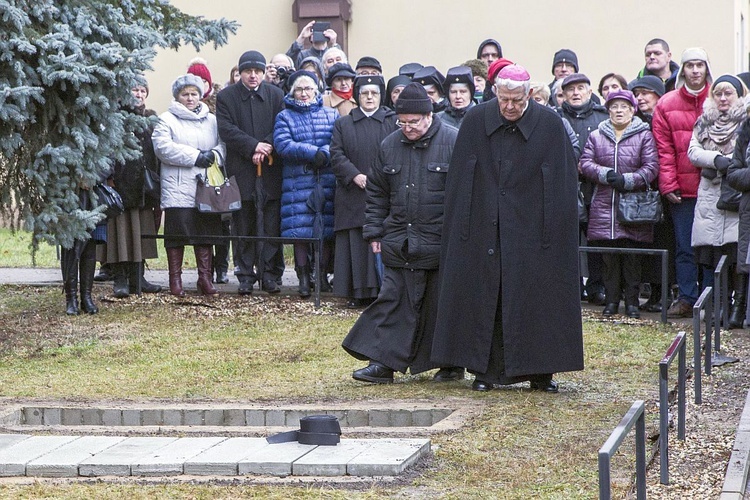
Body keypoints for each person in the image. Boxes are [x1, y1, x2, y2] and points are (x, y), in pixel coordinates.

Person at [431, 64, 584, 393]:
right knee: (488, 295)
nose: (510, 107)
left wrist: (554, 229)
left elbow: (562, 184)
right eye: (504, 100)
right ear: (494, 94)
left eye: (517, 100)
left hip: (534, 231)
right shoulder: (475, 121)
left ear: (530, 94)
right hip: (485, 227)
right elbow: (461, 182)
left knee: (538, 297)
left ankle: (542, 372)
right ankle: (485, 370)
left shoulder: (550, 125)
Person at [341, 82, 460, 383]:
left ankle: (451, 364)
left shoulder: (453, 141)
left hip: (440, 241)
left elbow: (463, 195)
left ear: (429, 115)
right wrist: (374, 232)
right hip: (399, 239)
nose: (407, 128)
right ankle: (382, 363)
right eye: (402, 122)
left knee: (441, 305)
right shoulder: (389, 145)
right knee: (393, 301)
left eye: (413, 122)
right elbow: (377, 193)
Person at [579, 89, 659, 318]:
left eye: (624, 106)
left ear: (633, 110)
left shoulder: (644, 135)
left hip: (633, 205)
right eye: (614, 106)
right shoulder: (597, 135)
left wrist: (628, 180)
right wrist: (605, 174)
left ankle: (632, 303)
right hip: (604, 203)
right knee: (609, 258)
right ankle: (612, 301)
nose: (619, 111)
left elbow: (651, 167)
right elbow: (585, 162)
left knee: (633, 257)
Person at [216, 50, 286, 295]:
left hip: (270, 168)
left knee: (269, 223)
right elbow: (226, 129)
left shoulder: (276, 95)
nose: (253, 76)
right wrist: (252, 146)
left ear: (265, 72)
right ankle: (245, 274)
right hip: (242, 168)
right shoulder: (226, 97)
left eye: (258, 71)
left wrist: (266, 145)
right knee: (243, 223)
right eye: (248, 71)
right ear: (240, 73)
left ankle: (269, 274)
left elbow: (282, 124)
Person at [152, 74, 226, 297]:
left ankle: (204, 278)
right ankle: (175, 279)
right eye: (185, 94)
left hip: (206, 186)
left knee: (206, 232)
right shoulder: (166, 119)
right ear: (178, 96)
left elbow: (223, 144)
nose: (190, 98)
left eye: (194, 94)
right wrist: (194, 156)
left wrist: (213, 155)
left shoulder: (211, 119)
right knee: (177, 234)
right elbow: (163, 147)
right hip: (178, 186)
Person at [653, 48, 713, 318]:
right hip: (683, 189)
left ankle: (712, 299)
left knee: (712, 247)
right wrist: (668, 184)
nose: (696, 70)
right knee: (685, 247)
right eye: (690, 65)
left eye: (700, 65)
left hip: (715, 187)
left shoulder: (720, 97)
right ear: (683, 69)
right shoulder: (666, 104)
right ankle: (688, 297)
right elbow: (663, 149)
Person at [331, 75, 398, 308]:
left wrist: (379, 179)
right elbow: (336, 154)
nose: (370, 97)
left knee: (379, 239)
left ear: (381, 95)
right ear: (357, 96)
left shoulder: (392, 122)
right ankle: (356, 293)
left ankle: (382, 292)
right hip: (352, 194)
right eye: (365, 93)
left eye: (375, 93)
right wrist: (355, 175)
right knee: (355, 243)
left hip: (383, 193)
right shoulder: (343, 124)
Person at [688, 75, 748, 327]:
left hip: (737, 193)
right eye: (718, 94)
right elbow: (693, 151)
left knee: (736, 255)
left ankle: (737, 307)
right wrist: (715, 159)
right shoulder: (703, 122)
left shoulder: (746, 120)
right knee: (713, 254)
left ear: (739, 95)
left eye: (728, 94)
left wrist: (732, 165)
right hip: (710, 194)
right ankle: (718, 306)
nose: (723, 99)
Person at [274, 70, 338, 297]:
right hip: (297, 182)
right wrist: (313, 152)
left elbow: (338, 142)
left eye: (308, 89)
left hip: (325, 179)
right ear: (292, 92)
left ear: (316, 90)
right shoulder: (284, 117)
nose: (304, 94)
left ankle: (321, 276)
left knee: (325, 231)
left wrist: (325, 154)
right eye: (299, 89)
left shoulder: (331, 115)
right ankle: (302, 277)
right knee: (300, 232)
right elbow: (283, 144)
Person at [99, 84, 162, 299]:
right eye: (135, 89)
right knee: (120, 233)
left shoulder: (150, 119)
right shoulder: (114, 118)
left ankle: (138, 278)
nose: (139, 94)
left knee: (140, 232)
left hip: (143, 187)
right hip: (120, 184)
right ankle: (120, 279)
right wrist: (110, 179)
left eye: (143, 90)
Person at [558, 72, 609, 305]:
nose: (576, 93)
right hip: (565, 186)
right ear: (563, 94)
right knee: (567, 238)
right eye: (570, 89)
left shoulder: (602, 117)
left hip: (595, 187)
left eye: (581, 88)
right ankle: (572, 285)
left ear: (590, 92)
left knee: (596, 238)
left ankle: (597, 285)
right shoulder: (555, 118)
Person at [629, 75, 673, 312]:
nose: (640, 98)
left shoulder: (663, 119)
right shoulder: (634, 122)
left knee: (664, 242)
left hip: (663, 190)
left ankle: (663, 292)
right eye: (637, 94)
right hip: (640, 192)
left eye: (646, 93)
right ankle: (653, 292)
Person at [187, 58, 231, 284]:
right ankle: (206, 269)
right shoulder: (183, 108)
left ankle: (222, 265)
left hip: (218, 172)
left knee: (222, 221)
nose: (199, 85)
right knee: (201, 222)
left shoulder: (219, 104)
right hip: (195, 174)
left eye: (203, 80)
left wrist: (214, 155)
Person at [61, 191, 108, 315]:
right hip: (70, 197)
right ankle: (71, 299)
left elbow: (109, 171)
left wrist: (92, 179)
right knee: (70, 249)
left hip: (94, 199)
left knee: (89, 249)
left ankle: (86, 298)